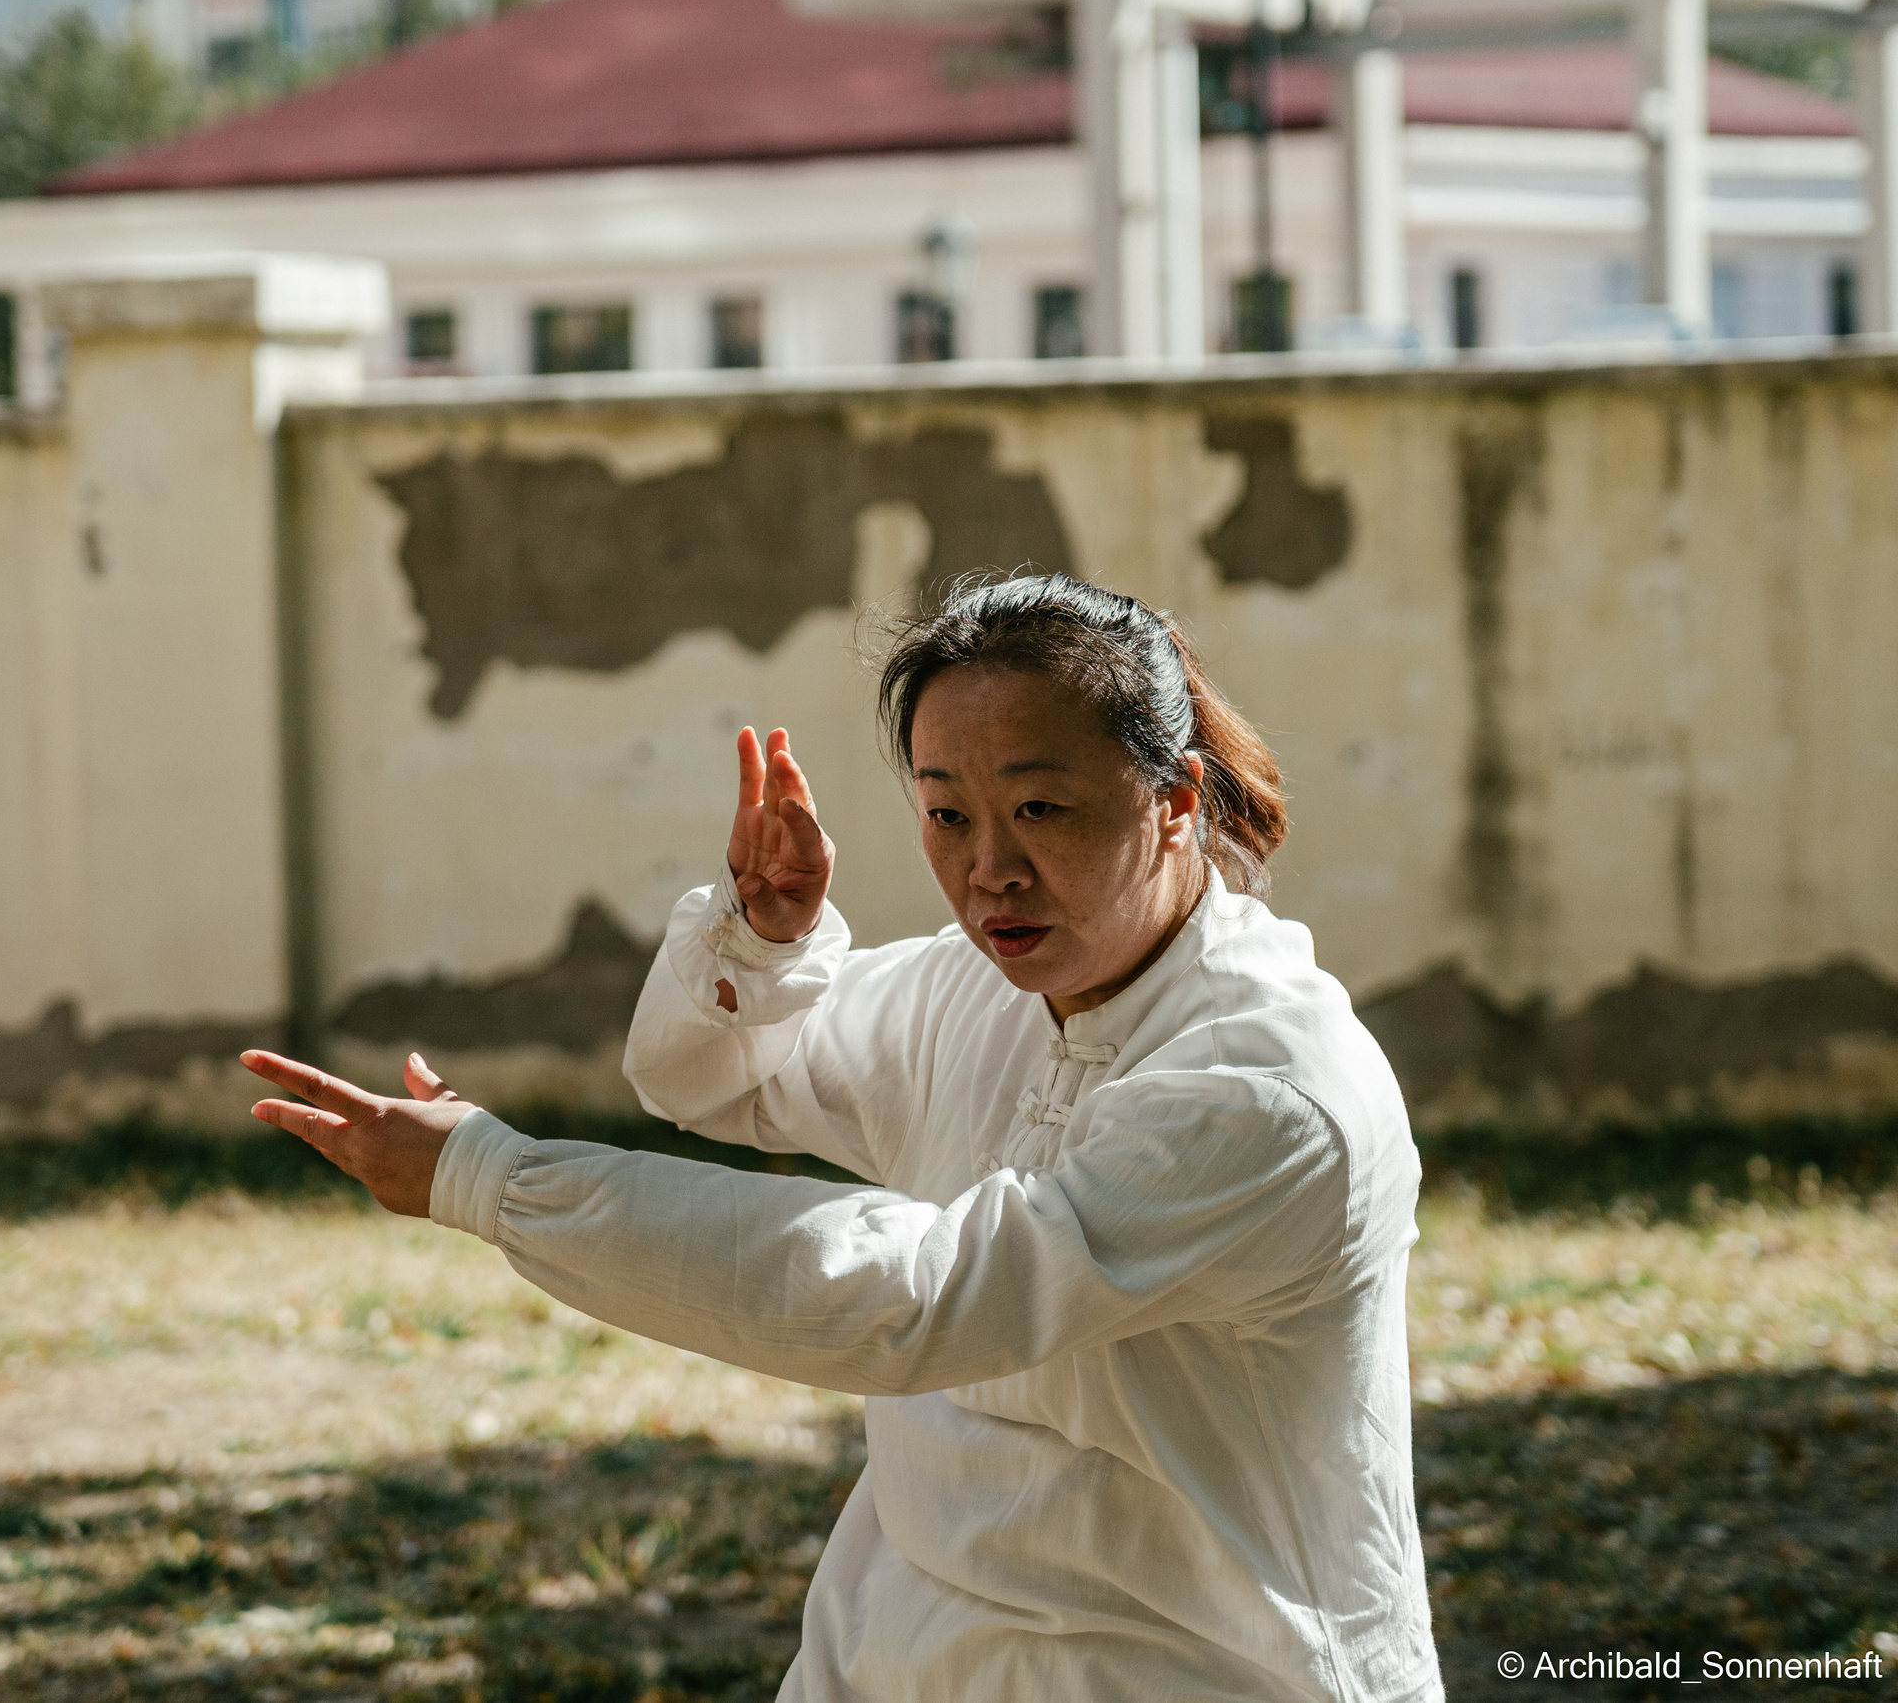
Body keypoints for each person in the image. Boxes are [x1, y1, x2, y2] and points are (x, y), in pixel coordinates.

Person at [243, 572, 1441, 1702]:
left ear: (1174, 798)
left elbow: (919, 1299)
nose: (989, 869)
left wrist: (491, 1178)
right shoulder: (977, 992)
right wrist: (764, 943)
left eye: (1040, 807)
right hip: (898, 1644)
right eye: (944, 812)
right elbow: (714, 1082)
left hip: (1185, 1664)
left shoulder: (1268, 1088)